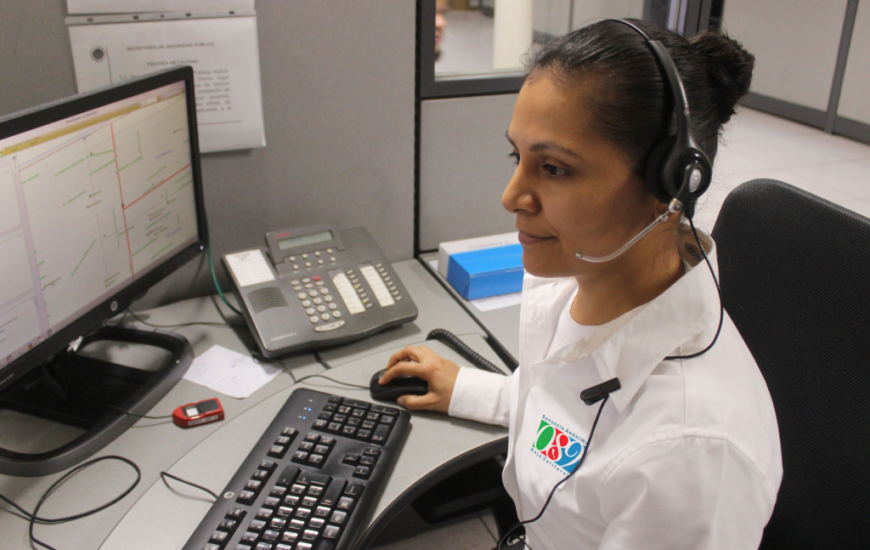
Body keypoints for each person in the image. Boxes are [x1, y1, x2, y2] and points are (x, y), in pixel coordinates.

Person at [379, 18, 782, 550]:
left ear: (672, 181)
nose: (511, 195)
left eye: (554, 169)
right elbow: (568, 406)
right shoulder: (583, 284)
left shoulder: (688, 455)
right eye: (516, 157)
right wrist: (470, 390)